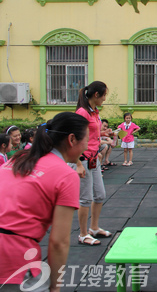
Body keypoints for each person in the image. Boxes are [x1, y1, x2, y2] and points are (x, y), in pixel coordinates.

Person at [0, 112, 89, 291]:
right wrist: (55, 287)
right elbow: (59, 242)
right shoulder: (66, 175)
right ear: (72, 139)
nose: (87, 145)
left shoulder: (18, 158)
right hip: (12, 256)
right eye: (87, 139)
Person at [74, 81, 112, 246]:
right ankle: (83, 234)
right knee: (85, 199)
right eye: (104, 95)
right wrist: (77, 163)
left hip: (94, 159)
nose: (104, 99)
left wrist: (103, 133)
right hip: (83, 160)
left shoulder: (94, 112)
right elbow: (73, 138)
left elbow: (90, 132)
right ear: (96, 95)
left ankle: (94, 228)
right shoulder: (82, 112)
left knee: (100, 195)